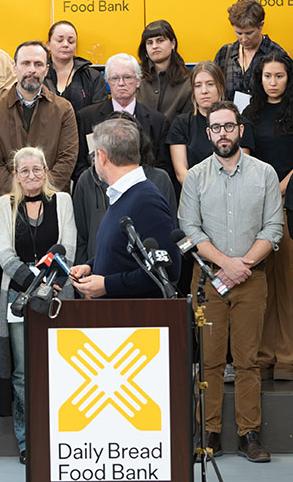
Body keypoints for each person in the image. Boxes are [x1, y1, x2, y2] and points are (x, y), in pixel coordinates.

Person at [178, 100, 283, 462]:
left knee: (247, 360)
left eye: (228, 126)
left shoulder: (265, 174)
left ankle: (248, 435)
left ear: (240, 130)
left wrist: (243, 265)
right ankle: (208, 434)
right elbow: (190, 229)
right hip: (208, 280)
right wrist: (225, 264)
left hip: (252, 279)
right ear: (208, 134)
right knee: (208, 360)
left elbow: (273, 227)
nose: (222, 134)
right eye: (216, 128)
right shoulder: (195, 177)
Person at [0, 147, 76, 465]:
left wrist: (49, 283)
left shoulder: (63, 201)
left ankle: (62, 436)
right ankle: (28, 439)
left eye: (37, 169)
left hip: (57, 291)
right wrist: (34, 284)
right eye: (24, 170)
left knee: (61, 366)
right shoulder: (4, 205)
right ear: (16, 175)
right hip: (18, 296)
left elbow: (68, 247)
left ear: (46, 171)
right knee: (23, 372)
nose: (31, 175)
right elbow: (4, 253)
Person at [70, 119, 180, 299]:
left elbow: (167, 270)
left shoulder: (146, 201)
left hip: (136, 314)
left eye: (94, 154)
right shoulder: (124, 195)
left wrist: (107, 285)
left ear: (102, 157)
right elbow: (124, 251)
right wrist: (91, 266)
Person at [243, 51, 293, 380]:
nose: (272, 82)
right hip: (258, 205)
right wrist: (265, 191)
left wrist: (281, 187)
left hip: (289, 203)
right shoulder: (251, 112)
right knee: (259, 283)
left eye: (279, 76)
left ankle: (286, 358)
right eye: (267, 76)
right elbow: (244, 157)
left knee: (287, 281)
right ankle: (261, 356)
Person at [0, 41, 78, 199]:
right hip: (9, 201)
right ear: (14, 67)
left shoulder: (63, 109)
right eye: (25, 63)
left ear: (47, 70)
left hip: (52, 200)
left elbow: (67, 159)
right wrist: (19, 192)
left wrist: (41, 191)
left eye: (38, 64)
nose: (32, 70)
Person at [75, 53, 171, 183]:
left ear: (138, 81)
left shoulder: (158, 122)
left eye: (127, 77)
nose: (121, 83)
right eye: (115, 78)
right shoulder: (86, 117)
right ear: (107, 81)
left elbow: (162, 168)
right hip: (100, 190)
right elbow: (79, 165)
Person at [168, 61, 254, 186]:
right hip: (194, 192)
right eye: (198, 85)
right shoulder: (181, 124)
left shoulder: (240, 123)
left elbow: (239, 169)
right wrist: (203, 193)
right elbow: (181, 173)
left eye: (210, 84)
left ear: (221, 87)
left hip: (232, 190)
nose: (204, 91)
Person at [214, 0, 285, 104]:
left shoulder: (276, 54)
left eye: (249, 33)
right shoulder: (224, 54)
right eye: (239, 33)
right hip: (230, 114)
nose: (244, 39)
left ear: (261, 26)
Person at [44, 20, 107, 113]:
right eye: (60, 40)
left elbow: (99, 114)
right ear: (48, 45)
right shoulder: (39, 75)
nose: (65, 45)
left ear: (76, 46)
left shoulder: (93, 77)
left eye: (71, 41)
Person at [137, 19, 192, 123]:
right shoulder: (135, 76)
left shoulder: (188, 80)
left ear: (173, 43)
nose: (154, 46)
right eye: (149, 43)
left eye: (160, 40)